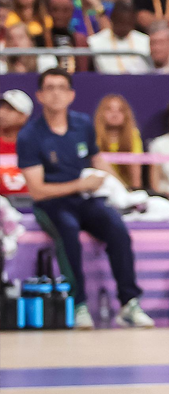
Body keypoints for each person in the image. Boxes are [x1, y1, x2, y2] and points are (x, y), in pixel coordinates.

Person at [17, 69, 154, 330]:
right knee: (67, 231)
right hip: (51, 203)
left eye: (61, 87)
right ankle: (78, 304)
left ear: (71, 95)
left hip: (85, 199)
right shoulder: (30, 136)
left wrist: (123, 191)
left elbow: (97, 159)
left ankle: (129, 303)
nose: (56, 93)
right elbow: (37, 190)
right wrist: (79, 184)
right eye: (50, 88)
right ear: (40, 96)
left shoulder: (83, 125)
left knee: (116, 227)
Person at [93, 93, 143, 190]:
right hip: (101, 187)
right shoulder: (93, 135)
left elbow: (136, 167)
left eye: (120, 110)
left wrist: (136, 191)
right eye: (109, 109)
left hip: (127, 188)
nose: (115, 114)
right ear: (101, 113)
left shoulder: (133, 134)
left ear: (126, 114)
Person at [0, 89, 33, 197]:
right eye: (1, 107)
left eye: (10, 109)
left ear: (24, 115)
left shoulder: (35, 145)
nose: (2, 113)